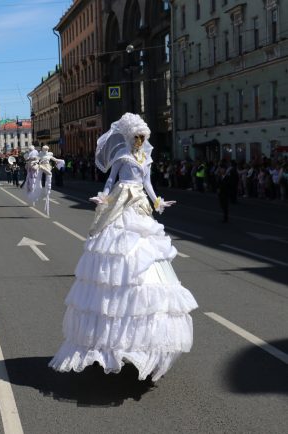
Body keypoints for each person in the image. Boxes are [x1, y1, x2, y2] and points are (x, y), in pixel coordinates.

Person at [49, 113, 197, 382]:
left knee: (146, 258)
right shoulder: (121, 158)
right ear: (130, 138)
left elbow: (149, 184)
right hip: (122, 203)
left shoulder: (146, 159)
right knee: (115, 256)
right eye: (137, 137)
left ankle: (143, 340)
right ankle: (107, 341)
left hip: (140, 206)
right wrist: (103, 198)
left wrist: (157, 202)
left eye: (144, 138)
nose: (140, 142)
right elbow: (111, 181)